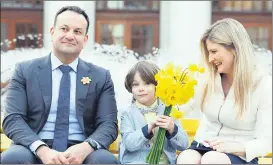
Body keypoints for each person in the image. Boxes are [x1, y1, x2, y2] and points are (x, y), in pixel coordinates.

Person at [1, 6, 119, 164]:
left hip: (83, 149)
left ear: (85, 39)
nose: (70, 36)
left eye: (77, 32)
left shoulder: (101, 77)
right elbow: (13, 119)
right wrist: (41, 149)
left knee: (105, 160)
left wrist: (86, 147)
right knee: (12, 158)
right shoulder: (24, 71)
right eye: (64, 29)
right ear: (52, 32)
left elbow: (108, 124)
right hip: (33, 147)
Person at [176, 18, 272, 164]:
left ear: (234, 49)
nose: (210, 59)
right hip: (203, 145)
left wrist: (236, 147)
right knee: (186, 158)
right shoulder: (207, 79)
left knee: (212, 160)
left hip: (239, 154)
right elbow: (183, 107)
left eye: (214, 51)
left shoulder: (263, 84)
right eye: (208, 53)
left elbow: (266, 141)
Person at [119, 61, 189, 164]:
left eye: (147, 83)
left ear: (158, 85)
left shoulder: (169, 109)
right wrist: (147, 129)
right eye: (135, 84)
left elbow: (183, 145)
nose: (141, 89)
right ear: (130, 88)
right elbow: (129, 144)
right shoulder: (127, 113)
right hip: (137, 162)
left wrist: (172, 129)